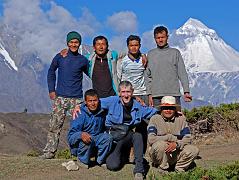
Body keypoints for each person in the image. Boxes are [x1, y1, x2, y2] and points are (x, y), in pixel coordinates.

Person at [40, 31, 89, 159]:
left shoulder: (83, 60)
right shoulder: (60, 57)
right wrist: (52, 90)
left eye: (76, 42)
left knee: (78, 127)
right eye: (71, 42)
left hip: (77, 99)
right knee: (54, 126)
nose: (73, 44)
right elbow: (51, 71)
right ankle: (49, 152)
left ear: (79, 44)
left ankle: (77, 154)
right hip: (60, 98)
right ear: (67, 43)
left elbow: (92, 73)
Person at [100, 81, 158, 180]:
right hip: (113, 137)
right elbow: (94, 102)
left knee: (137, 135)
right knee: (113, 166)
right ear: (119, 93)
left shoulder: (137, 106)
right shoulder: (112, 101)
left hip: (126, 136)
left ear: (132, 92)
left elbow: (151, 111)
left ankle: (139, 170)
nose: (126, 95)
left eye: (128, 92)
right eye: (123, 92)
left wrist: (168, 110)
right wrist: (80, 106)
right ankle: (121, 157)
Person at [117, 35, 151, 154]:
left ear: (140, 46)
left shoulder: (143, 60)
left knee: (143, 125)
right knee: (127, 124)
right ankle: (125, 154)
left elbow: (147, 76)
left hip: (143, 94)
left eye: (136, 45)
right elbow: (119, 78)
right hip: (128, 96)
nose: (134, 48)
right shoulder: (122, 61)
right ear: (128, 46)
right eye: (131, 45)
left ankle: (141, 153)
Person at [147, 96, 199, 173]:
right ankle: (162, 167)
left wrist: (176, 144)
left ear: (175, 109)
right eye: (165, 108)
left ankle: (179, 168)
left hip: (176, 152)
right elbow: (151, 139)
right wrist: (170, 137)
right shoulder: (154, 119)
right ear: (161, 109)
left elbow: (188, 138)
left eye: (171, 108)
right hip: (159, 154)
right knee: (160, 145)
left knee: (194, 150)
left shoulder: (181, 120)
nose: (168, 110)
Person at [147, 26, 192, 108]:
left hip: (173, 94)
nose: (160, 40)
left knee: (176, 119)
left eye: (163, 37)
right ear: (154, 39)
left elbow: (182, 73)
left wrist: (186, 91)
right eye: (158, 38)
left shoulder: (175, 53)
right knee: (156, 119)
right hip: (156, 96)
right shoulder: (150, 54)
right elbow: (147, 76)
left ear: (167, 37)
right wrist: (149, 94)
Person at [67, 89, 113, 168]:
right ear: (85, 102)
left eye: (95, 100)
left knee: (108, 138)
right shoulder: (80, 114)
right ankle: (82, 160)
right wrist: (81, 134)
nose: (93, 103)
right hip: (82, 145)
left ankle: (100, 161)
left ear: (98, 100)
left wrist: (135, 98)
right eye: (90, 101)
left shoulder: (102, 111)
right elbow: (70, 137)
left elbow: (118, 100)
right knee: (86, 138)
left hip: (96, 141)